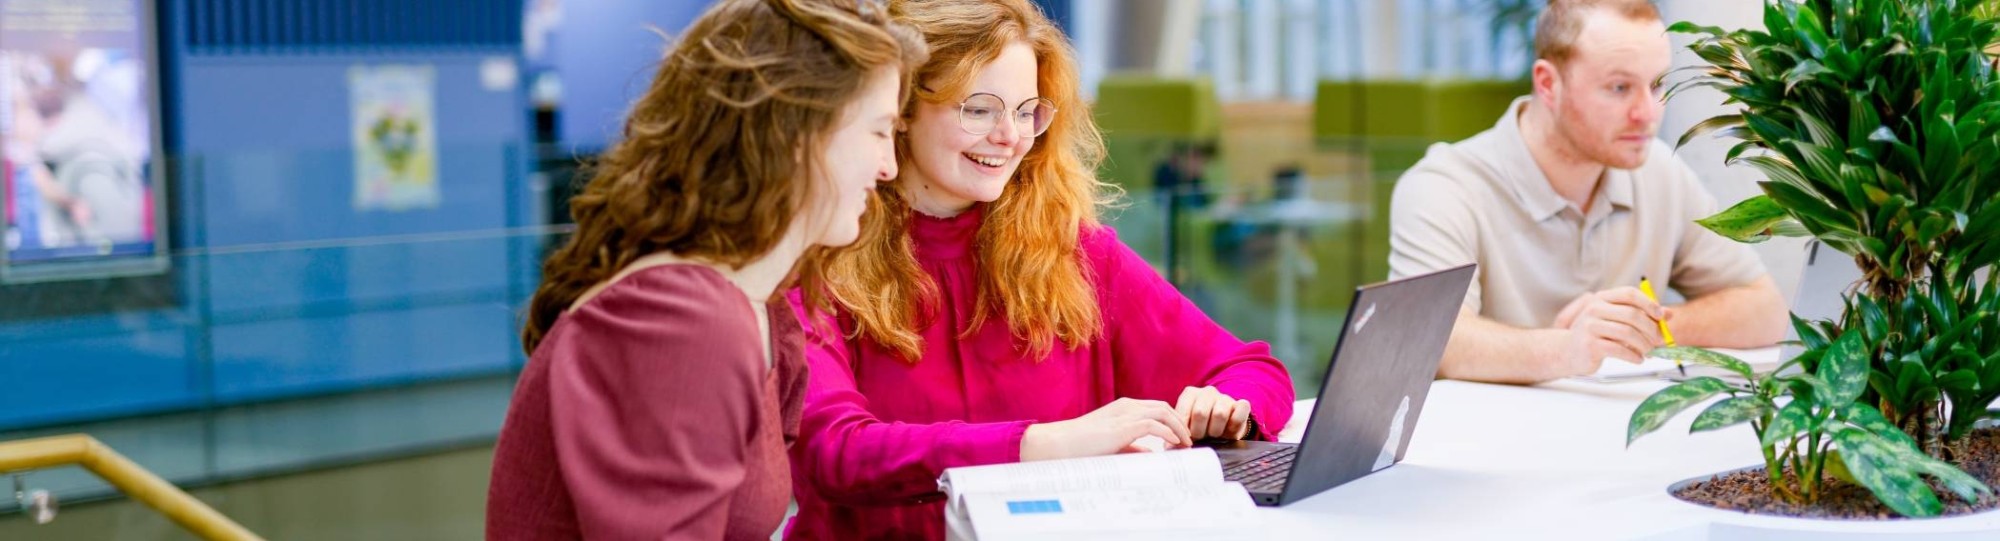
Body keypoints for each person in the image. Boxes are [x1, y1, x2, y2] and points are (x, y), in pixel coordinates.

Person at [783, 0, 1295, 538]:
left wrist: (1230, 408)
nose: (1011, 136)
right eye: (979, 109)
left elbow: (1256, 370)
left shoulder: (1075, 251)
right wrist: (1046, 444)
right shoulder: (821, 259)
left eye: (1027, 110)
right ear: (902, 109)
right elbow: (834, 450)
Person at [485, 0, 925, 538]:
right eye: (879, 132)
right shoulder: (682, 320)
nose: (889, 168)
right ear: (794, 133)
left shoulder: (757, 308)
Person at [1387, 0, 1787, 385]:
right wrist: (1568, 350)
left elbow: (1767, 310)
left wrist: (1638, 327)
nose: (1647, 113)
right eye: (1618, 87)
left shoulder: (1659, 171)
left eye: (1657, 84)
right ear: (1548, 84)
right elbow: (1435, 343)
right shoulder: (1444, 187)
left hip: (1618, 441)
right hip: (1487, 447)